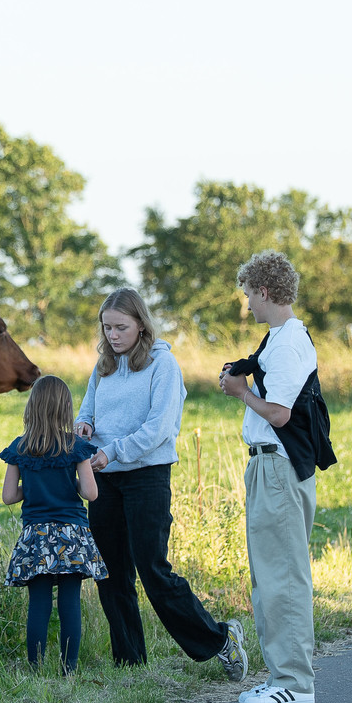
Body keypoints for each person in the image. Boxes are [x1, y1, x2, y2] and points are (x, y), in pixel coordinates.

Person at [74, 288, 248, 682]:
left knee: (152, 569)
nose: (114, 335)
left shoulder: (162, 366)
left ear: (140, 324)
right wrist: (84, 426)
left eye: (121, 327)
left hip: (146, 476)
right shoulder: (103, 365)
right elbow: (88, 408)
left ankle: (219, 640)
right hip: (105, 478)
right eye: (107, 328)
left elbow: (158, 430)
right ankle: (129, 663)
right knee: (110, 573)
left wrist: (111, 451)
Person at [219, 250, 326, 703]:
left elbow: (280, 413)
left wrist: (241, 393)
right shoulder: (279, 339)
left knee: (283, 576)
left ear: (264, 291)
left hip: (278, 468)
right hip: (272, 468)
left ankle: (295, 684)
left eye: (248, 295)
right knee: (271, 576)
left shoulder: (286, 343)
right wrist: (246, 372)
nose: (247, 305)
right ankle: (282, 676)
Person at [1, 374, 108, 674]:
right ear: (65, 409)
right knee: (69, 601)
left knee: (39, 603)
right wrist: (69, 483)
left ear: (31, 407)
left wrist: (33, 489)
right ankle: (68, 670)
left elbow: (9, 496)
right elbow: (91, 493)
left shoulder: (19, 447)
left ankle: (35, 669)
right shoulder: (75, 446)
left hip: (36, 535)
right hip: (71, 536)